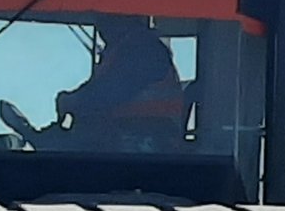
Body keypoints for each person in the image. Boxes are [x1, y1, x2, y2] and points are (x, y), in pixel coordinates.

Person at [54, 15, 187, 146]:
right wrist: (75, 98)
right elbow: (101, 86)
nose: (100, 25)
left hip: (149, 139)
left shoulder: (143, 49)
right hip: (134, 137)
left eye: (106, 17)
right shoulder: (123, 49)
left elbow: (112, 90)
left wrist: (75, 100)